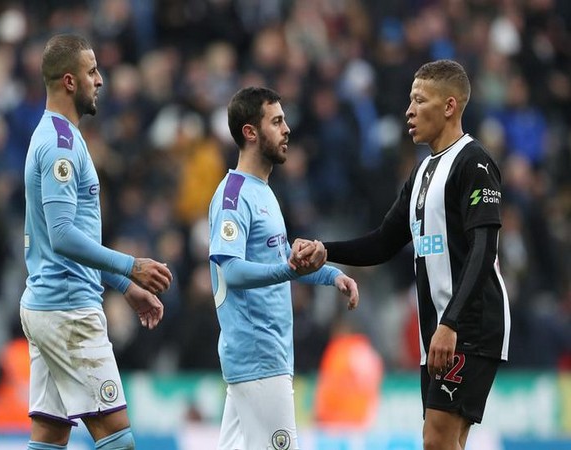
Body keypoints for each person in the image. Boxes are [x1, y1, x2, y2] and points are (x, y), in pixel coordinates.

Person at [291, 59, 511, 450]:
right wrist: (328, 251)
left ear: (449, 106)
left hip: (469, 324)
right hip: (440, 328)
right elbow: (384, 241)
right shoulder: (423, 172)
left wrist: (452, 323)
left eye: (419, 100)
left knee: (437, 440)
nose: (408, 110)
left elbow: (483, 247)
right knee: (448, 440)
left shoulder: (474, 164)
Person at [21, 34, 173, 450]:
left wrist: (125, 287)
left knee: (50, 436)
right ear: (69, 81)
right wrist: (131, 266)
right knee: (118, 442)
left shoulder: (54, 135)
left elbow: (68, 238)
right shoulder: (60, 146)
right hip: (69, 311)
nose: (100, 80)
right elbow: (63, 235)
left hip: (48, 303)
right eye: (92, 72)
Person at [208, 86, 359, 450]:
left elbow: (280, 259)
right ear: (250, 132)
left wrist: (331, 274)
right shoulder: (234, 196)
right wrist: (291, 272)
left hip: (260, 357)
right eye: (276, 121)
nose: (287, 129)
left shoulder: (263, 191)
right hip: (259, 355)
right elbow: (231, 271)